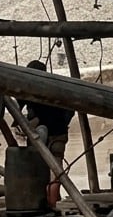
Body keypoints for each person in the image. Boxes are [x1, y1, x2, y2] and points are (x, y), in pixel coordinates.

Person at [18, 60, 76, 197]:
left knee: (40, 169)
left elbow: (17, 109)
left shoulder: (29, 89)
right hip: (59, 133)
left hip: (43, 135)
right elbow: (71, 108)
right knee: (56, 171)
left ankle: (46, 201)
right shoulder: (57, 87)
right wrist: (63, 122)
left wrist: (26, 123)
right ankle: (53, 201)